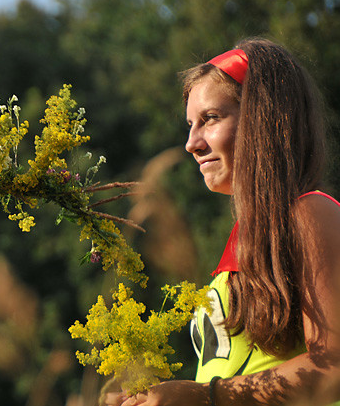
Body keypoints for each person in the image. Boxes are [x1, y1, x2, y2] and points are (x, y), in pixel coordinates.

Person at [107, 38, 340, 405]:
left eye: (210, 119)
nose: (191, 143)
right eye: (189, 124)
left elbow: (334, 365)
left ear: (264, 119)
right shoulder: (248, 236)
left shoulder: (312, 213)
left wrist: (203, 397)